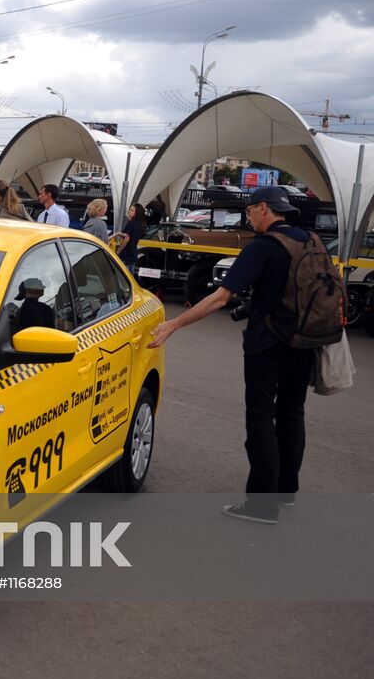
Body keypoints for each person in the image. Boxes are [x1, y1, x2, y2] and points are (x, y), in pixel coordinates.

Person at [149, 186, 337, 524]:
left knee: (261, 417)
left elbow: (220, 298)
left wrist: (173, 324)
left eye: (249, 211)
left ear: (263, 208)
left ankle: (262, 505)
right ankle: (286, 491)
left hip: (268, 343)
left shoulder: (264, 247)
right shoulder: (310, 240)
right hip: (306, 339)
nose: (247, 217)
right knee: (293, 413)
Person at [115, 202, 148, 273]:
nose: (129, 211)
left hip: (126, 254)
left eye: (132, 210)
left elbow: (127, 238)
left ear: (137, 213)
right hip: (133, 253)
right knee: (130, 277)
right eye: (130, 209)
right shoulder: (141, 224)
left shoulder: (131, 223)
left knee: (122, 276)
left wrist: (118, 251)